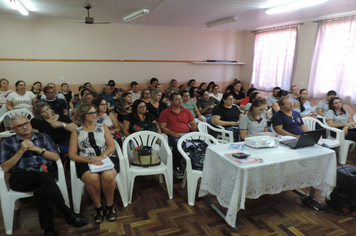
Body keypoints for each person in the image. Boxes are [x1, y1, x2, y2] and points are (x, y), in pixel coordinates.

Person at [0, 116, 89, 236]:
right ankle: (67, 213)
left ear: (30, 124)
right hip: (21, 176)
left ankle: (49, 230)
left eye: (26, 123)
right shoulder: (7, 142)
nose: (25, 127)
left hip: (44, 171)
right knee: (43, 178)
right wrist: (20, 151)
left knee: (41, 190)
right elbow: (5, 167)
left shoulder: (43, 137)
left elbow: (56, 157)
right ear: (14, 130)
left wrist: (38, 149)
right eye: (20, 126)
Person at [69, 103, 120, 224]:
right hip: (85, 161)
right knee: (92, 178)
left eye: (95, 112)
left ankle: (109, 205)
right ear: (83, 115)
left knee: (107, 176)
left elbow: (111, 146)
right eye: (90, 113)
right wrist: (89, 160)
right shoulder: (76, 132)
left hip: (106, 157)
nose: (94, 115)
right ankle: (98, 207)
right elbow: (72, 154)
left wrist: (101, 157)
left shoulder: (103, 127)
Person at [159, 93, 198, 179]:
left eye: (180, 99)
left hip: (187, 134)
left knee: (198, 144)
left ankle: (193, 164)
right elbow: (163, 127)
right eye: (177, 99)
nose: (180, 101)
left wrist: (192, 133)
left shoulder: (186, 111)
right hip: (173, 135)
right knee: (178, 144)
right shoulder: (165, 112)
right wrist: (174, 134)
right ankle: (177, 167)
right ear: (171, 101)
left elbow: (193, 124)